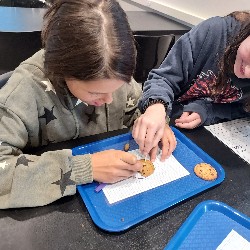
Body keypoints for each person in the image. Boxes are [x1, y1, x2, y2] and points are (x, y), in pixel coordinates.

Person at [0, 0, 145, 209]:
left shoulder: (111, 70)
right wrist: (84, 168)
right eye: (96, 92)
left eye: (117, 88)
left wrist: (150, 115)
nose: (110, 99)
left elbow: (133, 109)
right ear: (63, 69)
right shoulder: (24, 91)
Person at [133, 11, 250, 156]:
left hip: (207, 134)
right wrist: (156, 107)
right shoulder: (213, 33)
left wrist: (208, 111)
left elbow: (241, 110)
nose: (247, 72)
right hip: (167, 120)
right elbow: (163, 78)